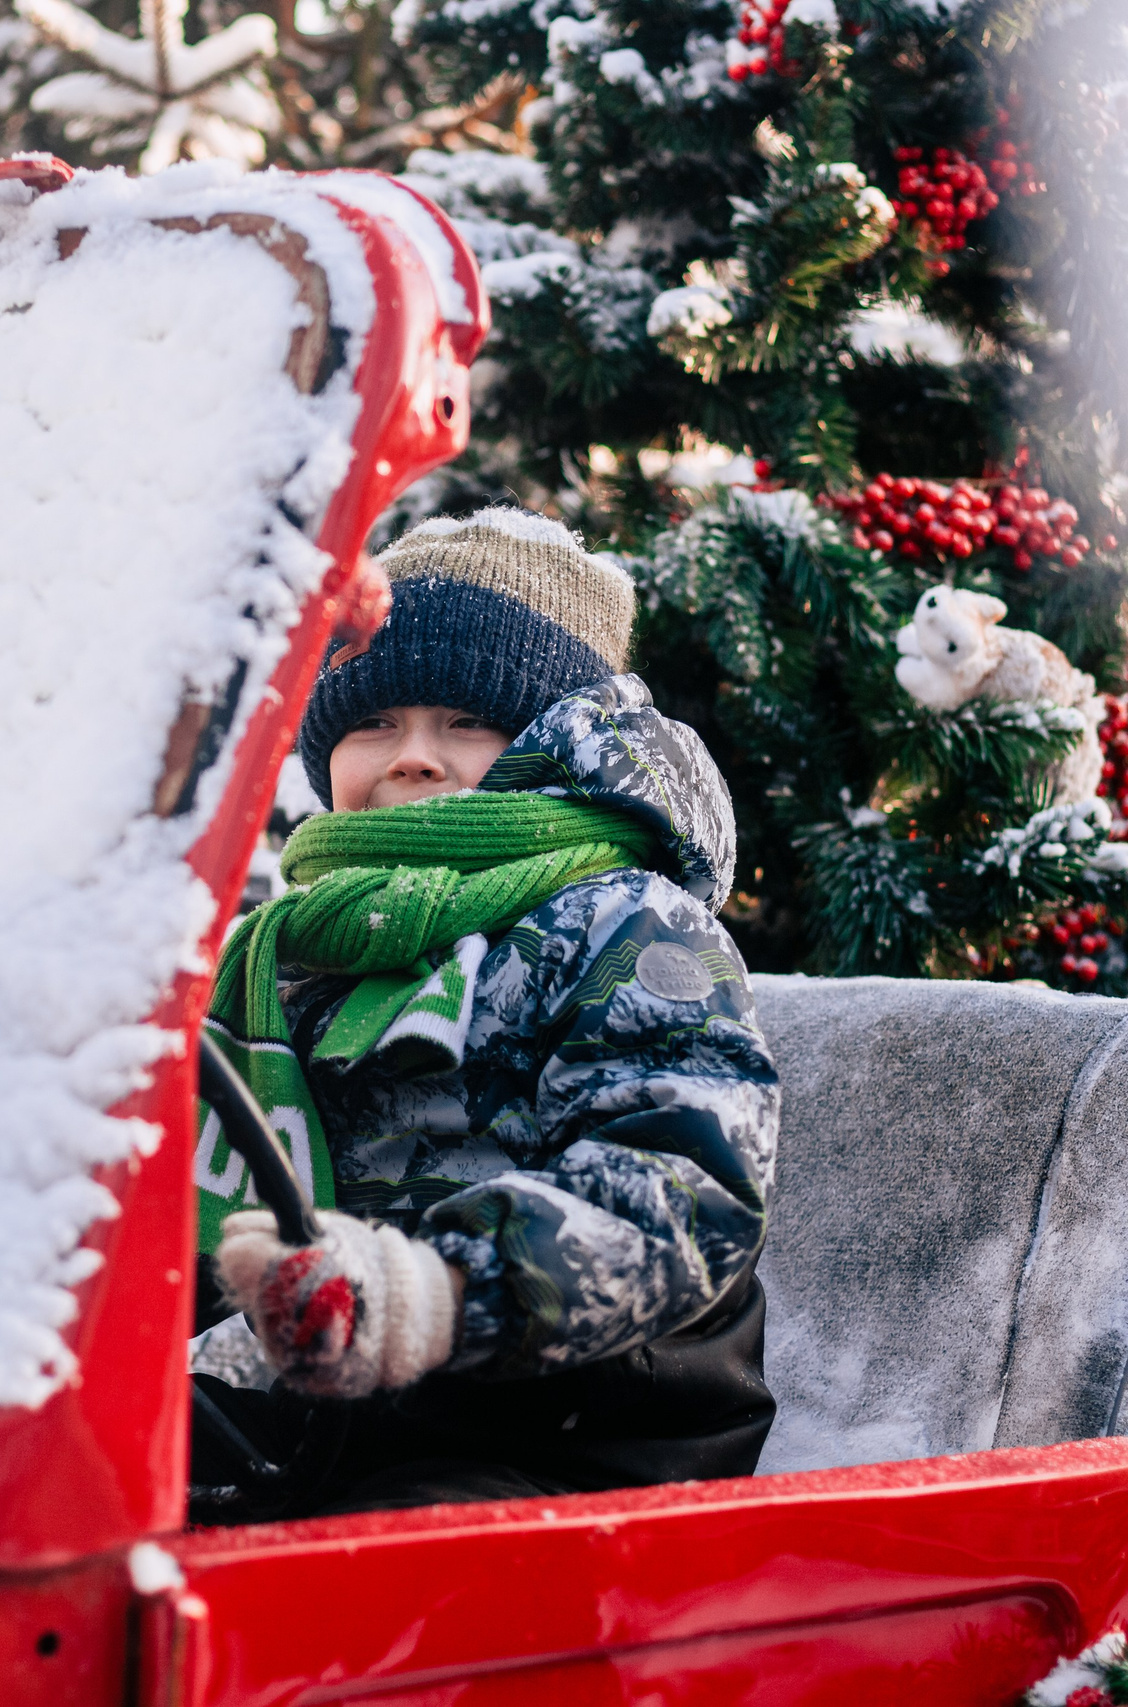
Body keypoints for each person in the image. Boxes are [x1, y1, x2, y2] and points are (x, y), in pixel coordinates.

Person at [188, 507, 780, 1518]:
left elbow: (687, 1183)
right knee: (66, 1469)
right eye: (374, 721)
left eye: (467, 720)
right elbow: (195, 1160)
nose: (413, 755)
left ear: (558, 743)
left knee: (388, 1551)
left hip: (575, 1432)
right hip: (335, 1406)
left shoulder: (621, 921)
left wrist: (435, 1292)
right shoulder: (306, 945)